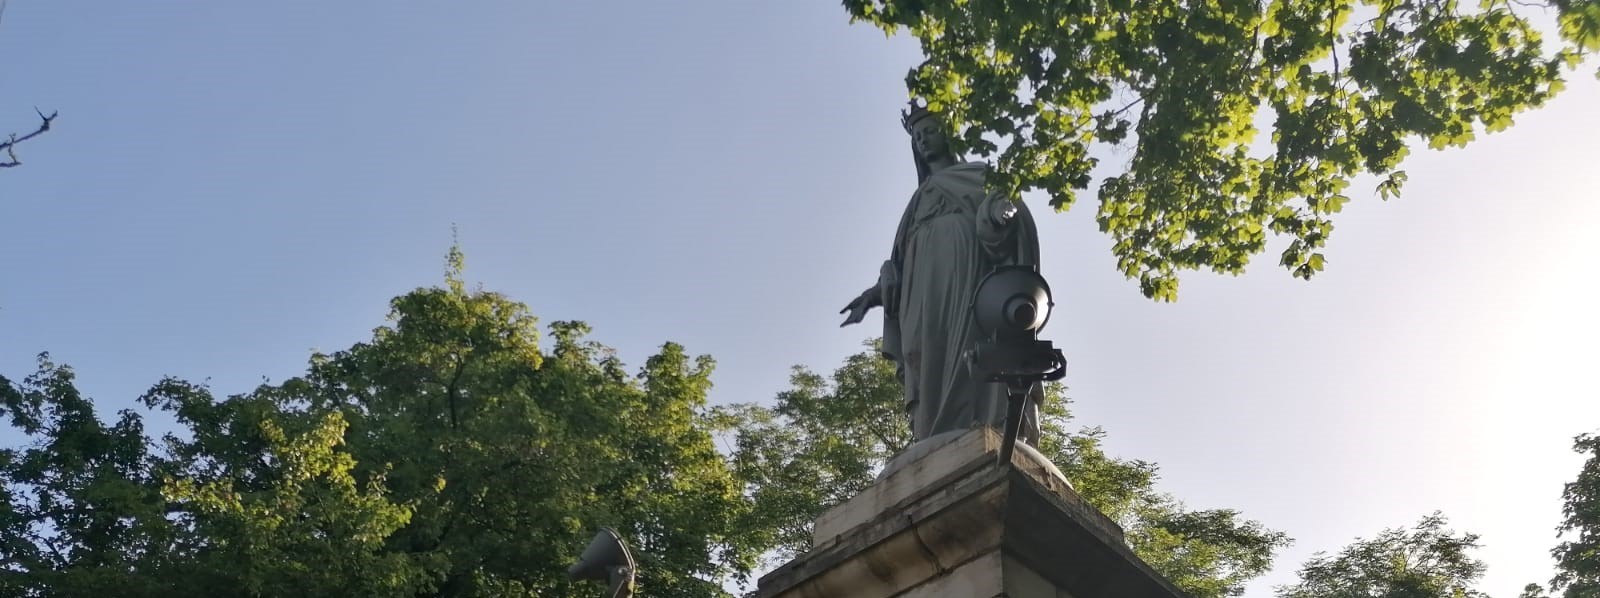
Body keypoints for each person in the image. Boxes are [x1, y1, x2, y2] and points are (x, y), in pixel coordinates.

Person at [840, 103, 1044, 446]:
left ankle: (983, 427)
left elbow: (1002, 217)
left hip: (969, 278)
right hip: (922, 293)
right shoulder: (918, 200)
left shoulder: (979, 175)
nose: (923, 140)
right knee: (927, 353)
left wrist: (1000, 215)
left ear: (949, 135)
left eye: (930, 131)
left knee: (971, 346)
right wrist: (878, 287)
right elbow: (900, 261)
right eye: (917, 136)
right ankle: (932, 437)